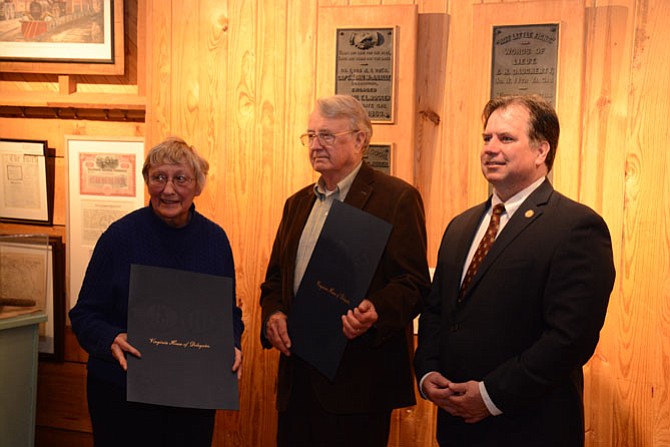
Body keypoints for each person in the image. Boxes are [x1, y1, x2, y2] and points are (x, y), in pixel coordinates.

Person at [414, 94, 616, 446]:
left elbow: (570, 338)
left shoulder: (576, 226)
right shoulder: (461, 226)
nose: (490, 148)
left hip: (530, 426)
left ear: (542, 151)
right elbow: (436, 311)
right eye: (486, 138)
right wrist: (428, 370)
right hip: (457, 426)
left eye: (506, 139)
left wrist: (490, 396)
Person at [260, 94, 431, 447]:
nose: (316, 145)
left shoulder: (395, 198)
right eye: (311, 136)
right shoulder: (297, 203)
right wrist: (274, 312)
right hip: (298, 380)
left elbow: (413, 284)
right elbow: (275, 278)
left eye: (327, 136)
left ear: (360, 139)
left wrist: (376, 310)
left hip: (357, 383)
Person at [69, 136, 244, 447]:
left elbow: (227, 313)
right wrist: (110, 338)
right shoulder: (119, 237)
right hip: (122, 394)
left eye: (180, 179)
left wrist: (231, 345)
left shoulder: (215, 241)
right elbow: (84, 315)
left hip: (191, 398)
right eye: (159, 177)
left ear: (197, 185)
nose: (169, 189)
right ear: (147, 180)